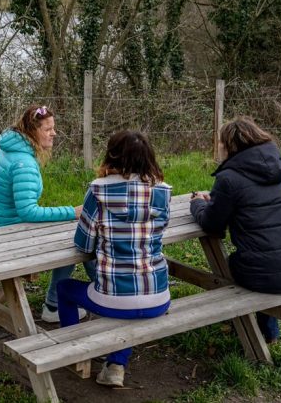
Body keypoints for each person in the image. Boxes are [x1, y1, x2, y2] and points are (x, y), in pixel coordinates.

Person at [57, 130, 172, 388]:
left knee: (64, 289)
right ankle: (116, 365)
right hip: (158, 296)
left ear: (112, 156)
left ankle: (75, 354)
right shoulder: (163, 193)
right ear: (149, 158)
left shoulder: (98, 191)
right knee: (130, 302)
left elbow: (83, 243)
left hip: (114, 296)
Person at [0, 104, 93, 323]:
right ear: (32, 131)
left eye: (54, 127)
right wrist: (73, 211)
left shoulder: (10, 148)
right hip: (6, 235)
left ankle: (100, 293)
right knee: (74, 241)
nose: (54, 133)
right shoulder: (24, 164)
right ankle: (58, 305)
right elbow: (28, 212)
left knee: (75, 236)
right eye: (48, 129)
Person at [190, 117, 281, 344]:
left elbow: (212, 226)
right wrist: (217, 200)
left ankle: (254, 333)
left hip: (260, 273)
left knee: (250, 264)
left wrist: (198, 203)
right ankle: (269, 333)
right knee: (268, 254)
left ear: (229, 145)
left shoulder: (229, 178)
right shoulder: (278, 171)